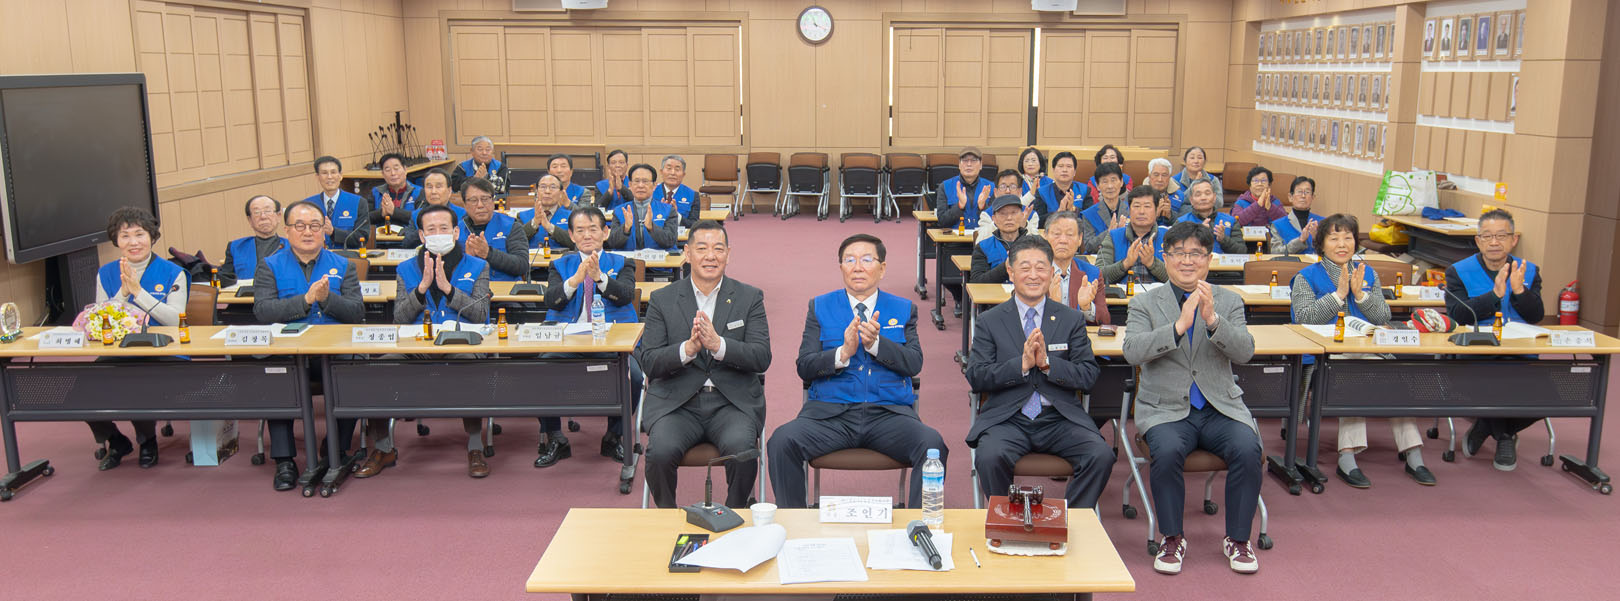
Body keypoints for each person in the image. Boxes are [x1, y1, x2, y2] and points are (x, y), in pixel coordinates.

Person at [1122, 221, 1264, 575]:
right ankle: (1172, 538)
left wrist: (1213, 320)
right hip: (1165, 409)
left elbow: (1245, 352)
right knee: (1167, 451)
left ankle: (1238, 539)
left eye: (1196, 254)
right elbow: (1132, 351)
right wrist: (1178, 327)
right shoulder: (1144, 302)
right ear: (1165, 258)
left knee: (1249, 448)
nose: (1187, 261)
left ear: (1209, 259)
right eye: (1179, 253)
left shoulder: (1229, 300)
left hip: (1219, 407)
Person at [767, 233, 945, 509]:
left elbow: (913, 363)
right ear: (841, 267)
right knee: (781, 441)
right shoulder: (820, 307)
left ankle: (920, 526)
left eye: (867, 260)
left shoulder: (903, 309)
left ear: (882, 268)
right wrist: (843, 353)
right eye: (849, 260)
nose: (858, 267)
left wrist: (876, 345)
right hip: (830, 415)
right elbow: (805, 366)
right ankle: (794, 521)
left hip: (888, 415)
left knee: (932, 444)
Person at [1290, 214, 1433, 487]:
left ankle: (1413, 453)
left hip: (1368, 349)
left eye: (1348, 238)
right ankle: (1347, 456)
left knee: (1396, 375)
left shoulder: (1368, 273)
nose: (1342, 244)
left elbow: (1382, 316)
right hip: (1326, 357)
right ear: (1321, 244)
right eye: (1334, 238)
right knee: (1351, 374)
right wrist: (1338, 296)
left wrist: (1360, 295)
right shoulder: (1306, 277)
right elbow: (1304, 318)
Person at [966, 237, 1110, 508]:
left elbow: (1088, 375)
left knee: (1100, 455)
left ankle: (1071, 520)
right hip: (1008, 418)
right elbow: (976, 376)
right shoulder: (989, 321)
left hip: (1058, 417)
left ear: (1051, 271)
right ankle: (1007, 517)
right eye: (1025, 267)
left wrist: (1048, 365)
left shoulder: (1070, 319)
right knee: (989, 457)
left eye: (1041, 267)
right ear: (1011, 272)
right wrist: (1020, 366)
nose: (1033, 275)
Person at [636, 220, 771, 508]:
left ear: (728, 254)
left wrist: (718, 345)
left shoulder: (749, 297)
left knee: (743, 452)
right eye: (702, 248)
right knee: (659, 453)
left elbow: (761, 357)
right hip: (677, 403)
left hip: (731, 403)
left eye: (718, 249)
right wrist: (687, 350)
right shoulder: (662, 299)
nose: (711, 256)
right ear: (687, 253)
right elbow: (649, 362)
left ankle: (735, 513)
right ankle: (666, 519)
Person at [371, 204, 494, 479]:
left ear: (456, 232)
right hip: (417, 347)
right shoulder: (405, 268)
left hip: (461, 344)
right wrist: (422, 288)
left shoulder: (478, 266)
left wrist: (449, 289)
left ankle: (475, 446)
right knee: (378, 369)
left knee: (469, 366)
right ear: (422, 235)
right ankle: (382, 448)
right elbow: (399, 318)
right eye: (431, 229)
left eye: (443, 228)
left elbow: (481, 315)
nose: (438, 234)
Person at [254, 201, 364, 490]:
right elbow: (263, 311)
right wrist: (305, 301)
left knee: (353, 372)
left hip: (333, 352)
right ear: (287, 230)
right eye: (300, 226)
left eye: (315, 226)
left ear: (324, 230)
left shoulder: (344, 265)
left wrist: (327, 299)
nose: (307, 232)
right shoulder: (269, 266)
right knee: (275, 376)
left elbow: (356, 312)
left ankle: (335, 448)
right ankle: (284, 460)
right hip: (289, 353)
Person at [536, 207, 644, 467]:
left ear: (605, 232)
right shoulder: (559, 265)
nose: (587, 235)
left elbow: (626, 295)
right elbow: (551, 300)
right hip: (568, 340)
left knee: (634, 376)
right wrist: (575, 280)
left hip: (612, 339)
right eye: (580, 230)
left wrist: (599, 278)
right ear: (571, 236)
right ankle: (556, 438)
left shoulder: (622, 263)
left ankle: (614, 437)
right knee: (539, 369)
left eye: (593, 229)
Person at [87, 207, 189, 470]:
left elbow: (175, 320)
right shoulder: (106, 273)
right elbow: (100, 320)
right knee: (83, 387)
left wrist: (139, 293)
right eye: (125, 236)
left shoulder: (173, 272)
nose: (133, 242)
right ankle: (116, 440)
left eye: (139, 234)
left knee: (136, 381)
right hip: (120, 351)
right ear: (116, 241)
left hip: (166, 352)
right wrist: (122, 293)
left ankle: (147, 441)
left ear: (152, 237)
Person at [1447, 209, 1545, 471]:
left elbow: (1536, 316)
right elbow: (1457, 315)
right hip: (1477, 356)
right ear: (1478, 241)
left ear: (1514, 239)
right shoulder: (1458, 271)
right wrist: (1494, 295)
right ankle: (1505, 437)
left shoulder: (1528, 270)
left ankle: (1485, 426)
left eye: (1501, 236)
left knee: (1554, 395)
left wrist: (1519, 290)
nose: (1494, 242)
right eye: (1487, 236)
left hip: (1522, 356)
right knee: (1497, 385)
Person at [453, 177, 529, 282]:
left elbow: (522, 265)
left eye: (485, 199)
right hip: (467, 289)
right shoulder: (456, 231)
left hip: (505, 289)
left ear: (493, 201)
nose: (480, 205)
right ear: (465, 204)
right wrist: (466, 259)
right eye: (473, 200)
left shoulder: (511, 226)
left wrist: (488, 253)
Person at [1096, 187, 1169, 286]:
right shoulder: (1113, 236)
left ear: (1156, 211)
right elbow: (1098, 275)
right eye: (1136, 206)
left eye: (1147, 206)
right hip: (1121, 295)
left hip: (1159, 295)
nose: (1141, 211)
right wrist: (1125, 263)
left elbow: (1179, 278)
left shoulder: (1168, 237)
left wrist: (1152, 263)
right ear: (1129, 210)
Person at [1045, 211, 1107, 325]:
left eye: (1069, 235)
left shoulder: (1092, 273)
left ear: (1080, 239)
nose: (1063, 240)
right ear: (1046, 236)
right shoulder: (1034, 272)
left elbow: (1105, 320)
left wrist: (1086, 307)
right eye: (1057, 234)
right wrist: (1050, 304)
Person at [218, 195, 288, 288]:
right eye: (256, 212)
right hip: (246, 296)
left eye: (268, 211)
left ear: (278, 216)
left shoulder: (292, 246)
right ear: (250, 220)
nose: (263, 216)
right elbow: (225, 280)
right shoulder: (236, 247)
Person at [607, 163, 679, 252]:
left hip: (659, 260)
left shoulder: (668, 210)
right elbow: (612, 243)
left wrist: (651, 228)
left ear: (654, 186)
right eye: (636, 181)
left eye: (645, 181)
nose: (640, 185)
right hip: (628, 260)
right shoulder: (619, 211)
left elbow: (670, 242)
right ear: (630, 185)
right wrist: (625, 228)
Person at [969, 195, 1037, 283]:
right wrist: (1005, 267)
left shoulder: (1035, 245)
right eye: (1003, 213)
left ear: (1022, 215)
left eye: (1014, 213)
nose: (1009, 218)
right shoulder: (983, 247)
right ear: (994, 219)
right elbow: (976, 282)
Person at [306, 156, 369, 249]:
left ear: (340, 175)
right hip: (318, 255)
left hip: (347, 255)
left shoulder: (358, 202)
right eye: (324, 173)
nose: (329, 177)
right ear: (317, 177)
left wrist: (334, 232)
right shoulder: (308, 205)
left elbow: (362, 237)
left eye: (333, 172)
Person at [1174, 180, 1244, 254]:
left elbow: (1242, 251)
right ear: (1191, 200)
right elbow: (1173, 251)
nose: (1203, 198)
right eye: (1198, 194)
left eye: (1207, 193)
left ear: (1214, 197)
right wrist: (1197, 237)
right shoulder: (1181, 223)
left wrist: (1223, 239)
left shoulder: (1231, 221)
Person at [934, 147, 993, 231]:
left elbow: (996, 222)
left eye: (973, 160)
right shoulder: (945, 186)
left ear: (980, 165)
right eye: (965, 160)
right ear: (959, 165)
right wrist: (959, 206)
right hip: (954, 237)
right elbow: (942, 222)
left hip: (983, 236)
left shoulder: (990, 187)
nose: (969, 164)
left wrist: (983, 207)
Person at [399, 169, 467, 239]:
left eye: (438, 187)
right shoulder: (416, 215)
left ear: (449, 191)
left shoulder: (463, 215)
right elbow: (408, 242)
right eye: (429, 187)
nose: (433, 191)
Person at [1078, 163, 1128, 255]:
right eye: (1105, 182)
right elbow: (1089, 246)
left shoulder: (1131, 210)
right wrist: (1109, 233)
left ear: (1121, 182)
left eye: (1113, 180)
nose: (1110, 186)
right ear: (1097, 185)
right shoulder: (1089, 214)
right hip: (1100, 259)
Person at [973, 169, 1037, 242]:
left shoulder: (1031, 215)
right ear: (996, 192)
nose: (1007, 191)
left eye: (1013, 187)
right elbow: (980, 242)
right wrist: (996, 224)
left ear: (1020, 191)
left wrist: (1024, 226)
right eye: (1003, 187)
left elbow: (1036, 243)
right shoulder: (987, 215)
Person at [517, 173, 574, 251]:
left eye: (553, 187)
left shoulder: (572, 216)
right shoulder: (522, 216)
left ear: (561, 193)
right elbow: (516, 241)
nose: (547, 191)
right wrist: (534, 223)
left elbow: (575, 243)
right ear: (537, 192)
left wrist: (549, 227)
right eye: (543, 187)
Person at [1267, 176, 1323, 255]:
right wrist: (1300, 240)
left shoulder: (1322, 223)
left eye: (1307, 192)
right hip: (1290, 263)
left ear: (1313, 197)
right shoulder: (1277, 225)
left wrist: (1316, 239)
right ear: (1290, 197)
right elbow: (1275, 252)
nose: (1303, 196)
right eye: (1299, 192)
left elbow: (1330, 253)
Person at [1033, 151, 1088, 227]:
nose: (1064, 170)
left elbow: (1090, 219)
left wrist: (1073, 209)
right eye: (1060, 166)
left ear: (1074, 172)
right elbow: (1037, 221)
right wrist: (1058, 212)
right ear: (1053, 170)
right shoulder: (1042, 192)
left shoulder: (1085, 190)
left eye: (1069, 166)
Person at [369, 153, 422, 231]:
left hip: (408, 236)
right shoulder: (376, 192)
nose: (393, 173)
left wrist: (394, 211)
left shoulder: (419, 192)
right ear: (383, 174)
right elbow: (365, 219)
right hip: (381, 237)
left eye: (396, 169)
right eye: (388, 170)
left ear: (405, 170)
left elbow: (421, 218)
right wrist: (381, 213)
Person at [653, 155, 700, 223]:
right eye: (669, 168)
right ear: (661, 172)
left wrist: (676, 215)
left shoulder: (693, 195)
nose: (673, 173)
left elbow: (694, 224)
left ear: (683, 174)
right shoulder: (651, 192)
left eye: (677, 169)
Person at [1145, 158, 1186, 224]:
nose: (1160, 179)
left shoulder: (1181, 196)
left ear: (1170, 177)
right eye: (1156, 175)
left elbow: (1185, 223)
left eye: (1164, 175)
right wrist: (1154, 216)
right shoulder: (1138, 196)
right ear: (1149, 175)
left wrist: (1170, 215)